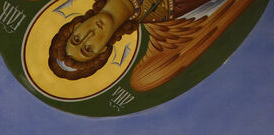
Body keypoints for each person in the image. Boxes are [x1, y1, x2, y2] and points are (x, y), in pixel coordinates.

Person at [48, 0, 216, 80]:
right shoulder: (167, 10)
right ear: (103, 50)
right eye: (88, 49)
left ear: (77, 26)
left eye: (76, 38)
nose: (89, 35)